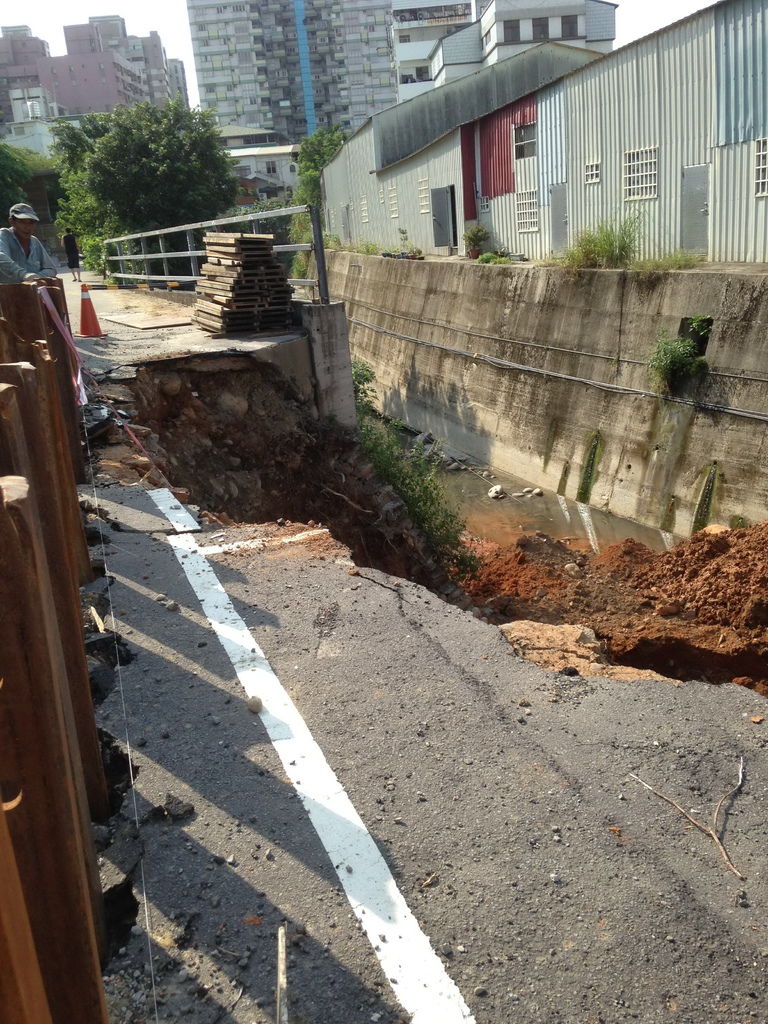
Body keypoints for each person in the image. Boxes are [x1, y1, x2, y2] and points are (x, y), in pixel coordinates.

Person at [0, 203, 59, 285]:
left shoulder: (34, 241)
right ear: (11, 222)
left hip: (32, 293)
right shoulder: (4, 234)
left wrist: (36, 277)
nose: (28, 227)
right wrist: (23, 275)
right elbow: (1, 256)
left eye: (31, 222)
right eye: (22, 222)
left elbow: (51, 269)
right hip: (7, 293)